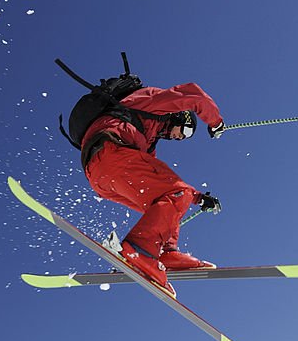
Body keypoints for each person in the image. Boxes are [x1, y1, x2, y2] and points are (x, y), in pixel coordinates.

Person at [78, 82, 227, 297]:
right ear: (181, 117)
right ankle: (138, 249)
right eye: (185, 131)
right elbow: (195, 95)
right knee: (178, 194)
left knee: (166, 203)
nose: (180, 137)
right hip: (111, 152)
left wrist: (198, 198)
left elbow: (158, 185)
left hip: (101, 173)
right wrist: (216, 122)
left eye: (185, 138)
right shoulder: (151, 103)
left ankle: (168, 254)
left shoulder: (148, 140)